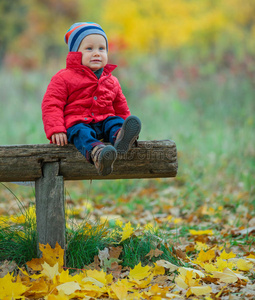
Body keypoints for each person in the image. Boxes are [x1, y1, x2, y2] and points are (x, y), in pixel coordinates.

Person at [42, 22, 141, 176]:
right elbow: (52, 105)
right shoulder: (63, 78)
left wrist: (125, 124)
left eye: (102, 49)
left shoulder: (111, 81)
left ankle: (121, 137)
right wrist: (56, 130)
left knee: (115, 121)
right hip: (78, 123)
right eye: (89, 49)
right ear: (75, 53)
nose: (97, 53)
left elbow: (121, 107)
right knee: (81, 133)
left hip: (104, 121)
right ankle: (98, 153)